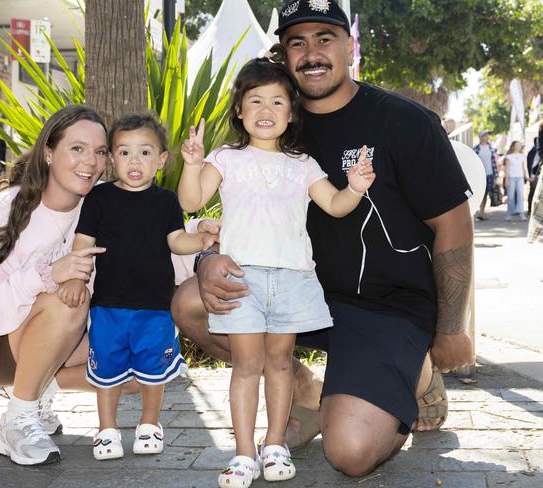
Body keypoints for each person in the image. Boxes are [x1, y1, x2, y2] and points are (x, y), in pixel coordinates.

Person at [171, 0, 474, 478]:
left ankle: (417, 372)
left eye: (325, 38)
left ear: (349, 46)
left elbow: (454, 225)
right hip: (296, 289)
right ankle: (303, 391)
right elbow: (224, 209)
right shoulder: (272, 121)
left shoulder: (404, 122)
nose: (311, 53)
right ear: (283, 56)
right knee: (193, 301)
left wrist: (451, 329)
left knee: (350, 454)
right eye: (297, 42)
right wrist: (209, 256)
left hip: (385, 306)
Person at [178, 58, 375, 487]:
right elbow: (192, 202)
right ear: (239, 111)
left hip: (292, 280)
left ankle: (275, 443)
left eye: (277, 101)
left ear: (290, 113)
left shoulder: (302, 164)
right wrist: (192, 164)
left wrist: (356, 187)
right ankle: (245, 452)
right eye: (255, 101)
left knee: (281, 364)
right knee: (246, 367)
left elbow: (335, 205)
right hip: (241, 280)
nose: (266, 110)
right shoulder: (226, 158)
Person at [0, 105, 110, 466]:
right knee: (70, 296)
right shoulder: (8, 207)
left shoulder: (100, 207)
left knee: (144, 362)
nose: (91, 161)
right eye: (77, 148)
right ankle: (18, 420)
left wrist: (198, 243)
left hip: (53, 337)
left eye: (100, 152)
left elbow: (149, 246)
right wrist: (49, 273)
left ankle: (38, 391)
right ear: (49, 153)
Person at [56, 113, 218, 462]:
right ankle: (107, 429)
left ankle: (149, 423)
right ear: (112, 158)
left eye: (145, 153)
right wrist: (73, 277)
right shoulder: (99, 199)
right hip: (108, 305)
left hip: (156, 306)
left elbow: (176, 241)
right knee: (106, 371)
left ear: (160, 160)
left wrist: (202, 239)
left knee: (153, 370)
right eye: (125, 152)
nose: (134, 161)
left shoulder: (166, 201)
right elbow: (83, 241)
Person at [473, 130, 499, 220]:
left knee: (486, 193)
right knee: (480, 193)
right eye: (485, 135)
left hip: (490, 174)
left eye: (488, 135)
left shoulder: (491, 148)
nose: (487, 137)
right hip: (480, 175)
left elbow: (494, 163)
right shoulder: (476, 148)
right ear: (481, 137)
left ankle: (482, 212)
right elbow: (473, 162)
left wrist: (496, 175)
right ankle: (480, 211)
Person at [502, 140, 528, 221]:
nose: (519, 146)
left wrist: (526, 177)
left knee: (520, 196)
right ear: (513, 146)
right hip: (511, 178)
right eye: (517, 145)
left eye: (520, 145)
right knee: (511, 196)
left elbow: (524, 168)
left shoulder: (523, 156)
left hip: (520, 178)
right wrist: (506, 179)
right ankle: (509, 213)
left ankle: (521, 213)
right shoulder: (509, 156)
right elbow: (507, 169)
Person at [526, 137, 539, 216]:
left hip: (535, 174)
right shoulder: (533, 151)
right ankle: (530, 209)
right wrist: (531, 175)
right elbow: (530, 164)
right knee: (533, 192)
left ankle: (531, 210)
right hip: (534, 175)